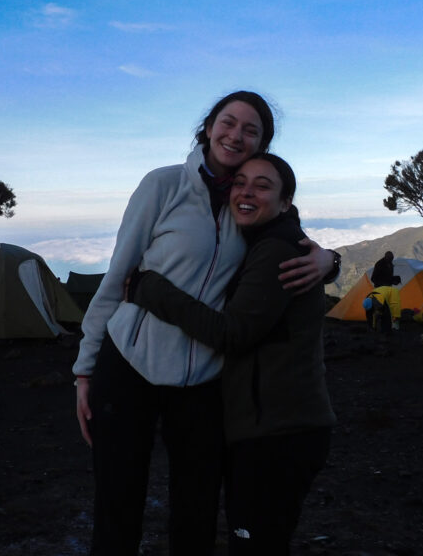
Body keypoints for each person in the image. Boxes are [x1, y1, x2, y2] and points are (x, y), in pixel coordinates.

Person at [73, 92, 338, 556]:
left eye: (250, 130)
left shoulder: (247, 203)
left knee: (195, 513)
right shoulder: (163, 185)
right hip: (129, 362)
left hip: (203, 380)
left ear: (261, 144)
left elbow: (292, 238)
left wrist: (330, 260)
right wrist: (85, 368)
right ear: (209, 126)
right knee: (117, 506)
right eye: (228, 122)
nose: (235, 134)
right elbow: (118, 276)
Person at [129, 153, 335, 555]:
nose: (246, 191)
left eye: (262, 185)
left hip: (279, 433)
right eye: (240, 182)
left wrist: (149, 288)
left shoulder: (277, 249)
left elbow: (233, 333)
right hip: (275, 427)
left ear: (285, 202)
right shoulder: (267, 242)